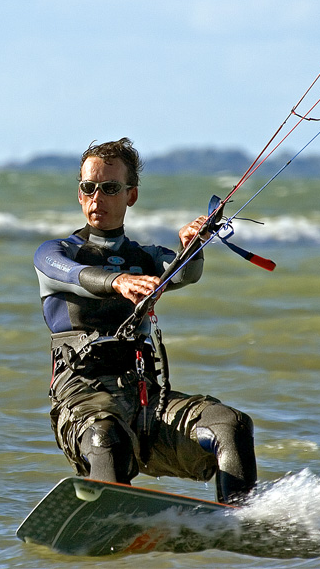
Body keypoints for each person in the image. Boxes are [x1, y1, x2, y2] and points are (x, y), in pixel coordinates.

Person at [33, 138, 256, 504]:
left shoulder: (147, 257)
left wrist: (192, 247)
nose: (96, 197)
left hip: (146, 400)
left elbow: (183, 274)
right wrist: (117, 282)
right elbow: (75, 275)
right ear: (79, 194)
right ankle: (110, 522)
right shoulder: (56, 254)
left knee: (231, 425)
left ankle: (240, 524)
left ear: (130, 195)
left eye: (109, 188)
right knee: (107, 439)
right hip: (84, 401)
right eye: (88, 188)